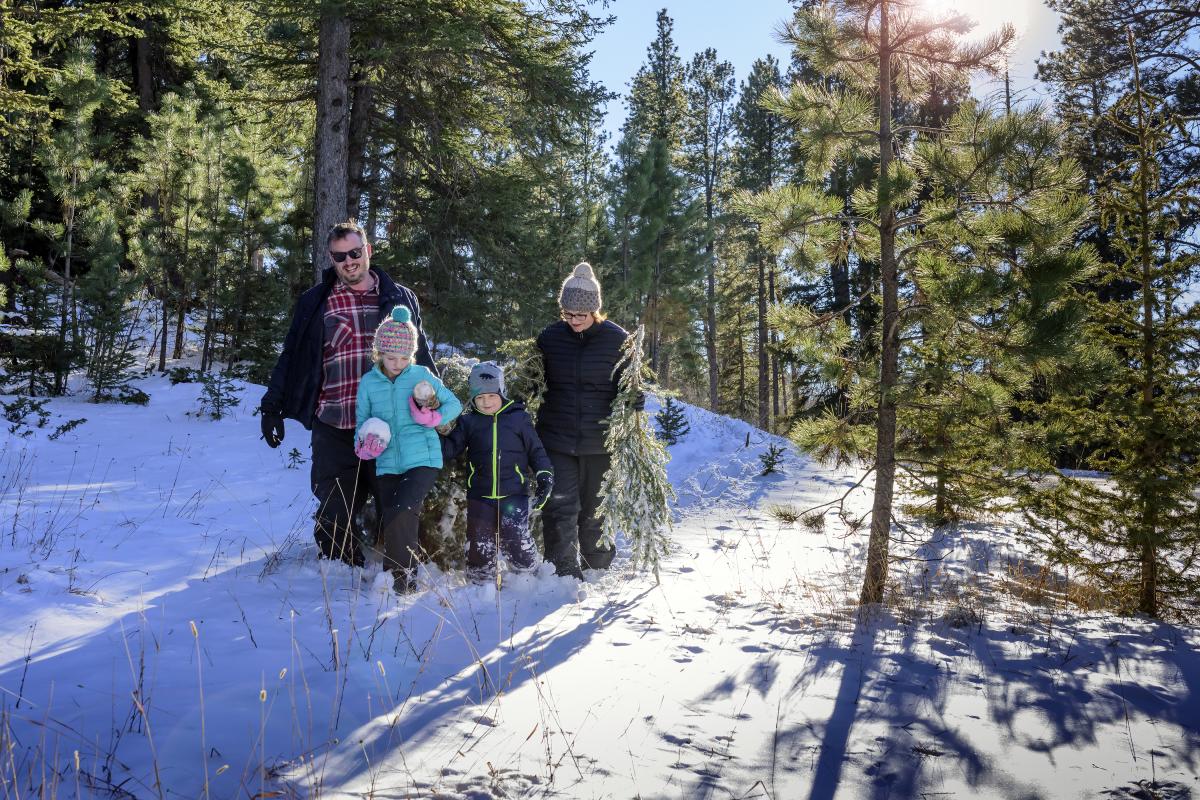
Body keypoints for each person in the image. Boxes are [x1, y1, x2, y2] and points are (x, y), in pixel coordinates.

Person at [259, 219, 436, 567]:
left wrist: (436, 409)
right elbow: (292, 355)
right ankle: (340, 578)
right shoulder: (316, 302)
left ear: (368, 251)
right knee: (334, 509)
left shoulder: (399, 297)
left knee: (396, 506)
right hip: (335, 423)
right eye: (339, 257)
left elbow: (422, 357)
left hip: (390, 424)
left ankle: (396, 573)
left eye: (354, 253)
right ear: (332, 259)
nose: (348, 262)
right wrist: (271, 406)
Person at [536, 262, 640, 578]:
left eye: (580, 315)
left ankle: (596, 568)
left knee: (597, 507)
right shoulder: (549, 338)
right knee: (560, 507)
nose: (574, 320)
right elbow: (534, 382)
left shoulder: (617, 339)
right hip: (557, 438)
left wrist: (634, 398)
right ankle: (562, 570)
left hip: (600, 441)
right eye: (567, 314)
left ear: (595, 310)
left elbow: (629, 384)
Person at [355, 307, 462, 592]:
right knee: (393, 514)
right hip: (387, 461)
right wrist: (364, 447)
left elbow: (454, 404)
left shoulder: (420, 375)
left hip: (423, 459)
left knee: (402, 508)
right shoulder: (368, 383)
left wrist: (433, 418)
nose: (398, 363)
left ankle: (400, 582)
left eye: (404, 358)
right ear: (379, 354)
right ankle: (400, 578)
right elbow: (362, 423)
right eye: (391, 358)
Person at [441, 362, 554, 584]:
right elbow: (450, 449)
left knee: (515, 536)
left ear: (501, 392)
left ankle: (527, 575)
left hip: (514, 492)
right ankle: (480, 582)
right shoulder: (468, 421)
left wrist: (544, 474)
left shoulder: (518, 418)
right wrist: (431, 430)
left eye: (491, 396)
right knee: (479, 542)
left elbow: (536, 450)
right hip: (480, 494)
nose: (486, 402)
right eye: (479, 398)